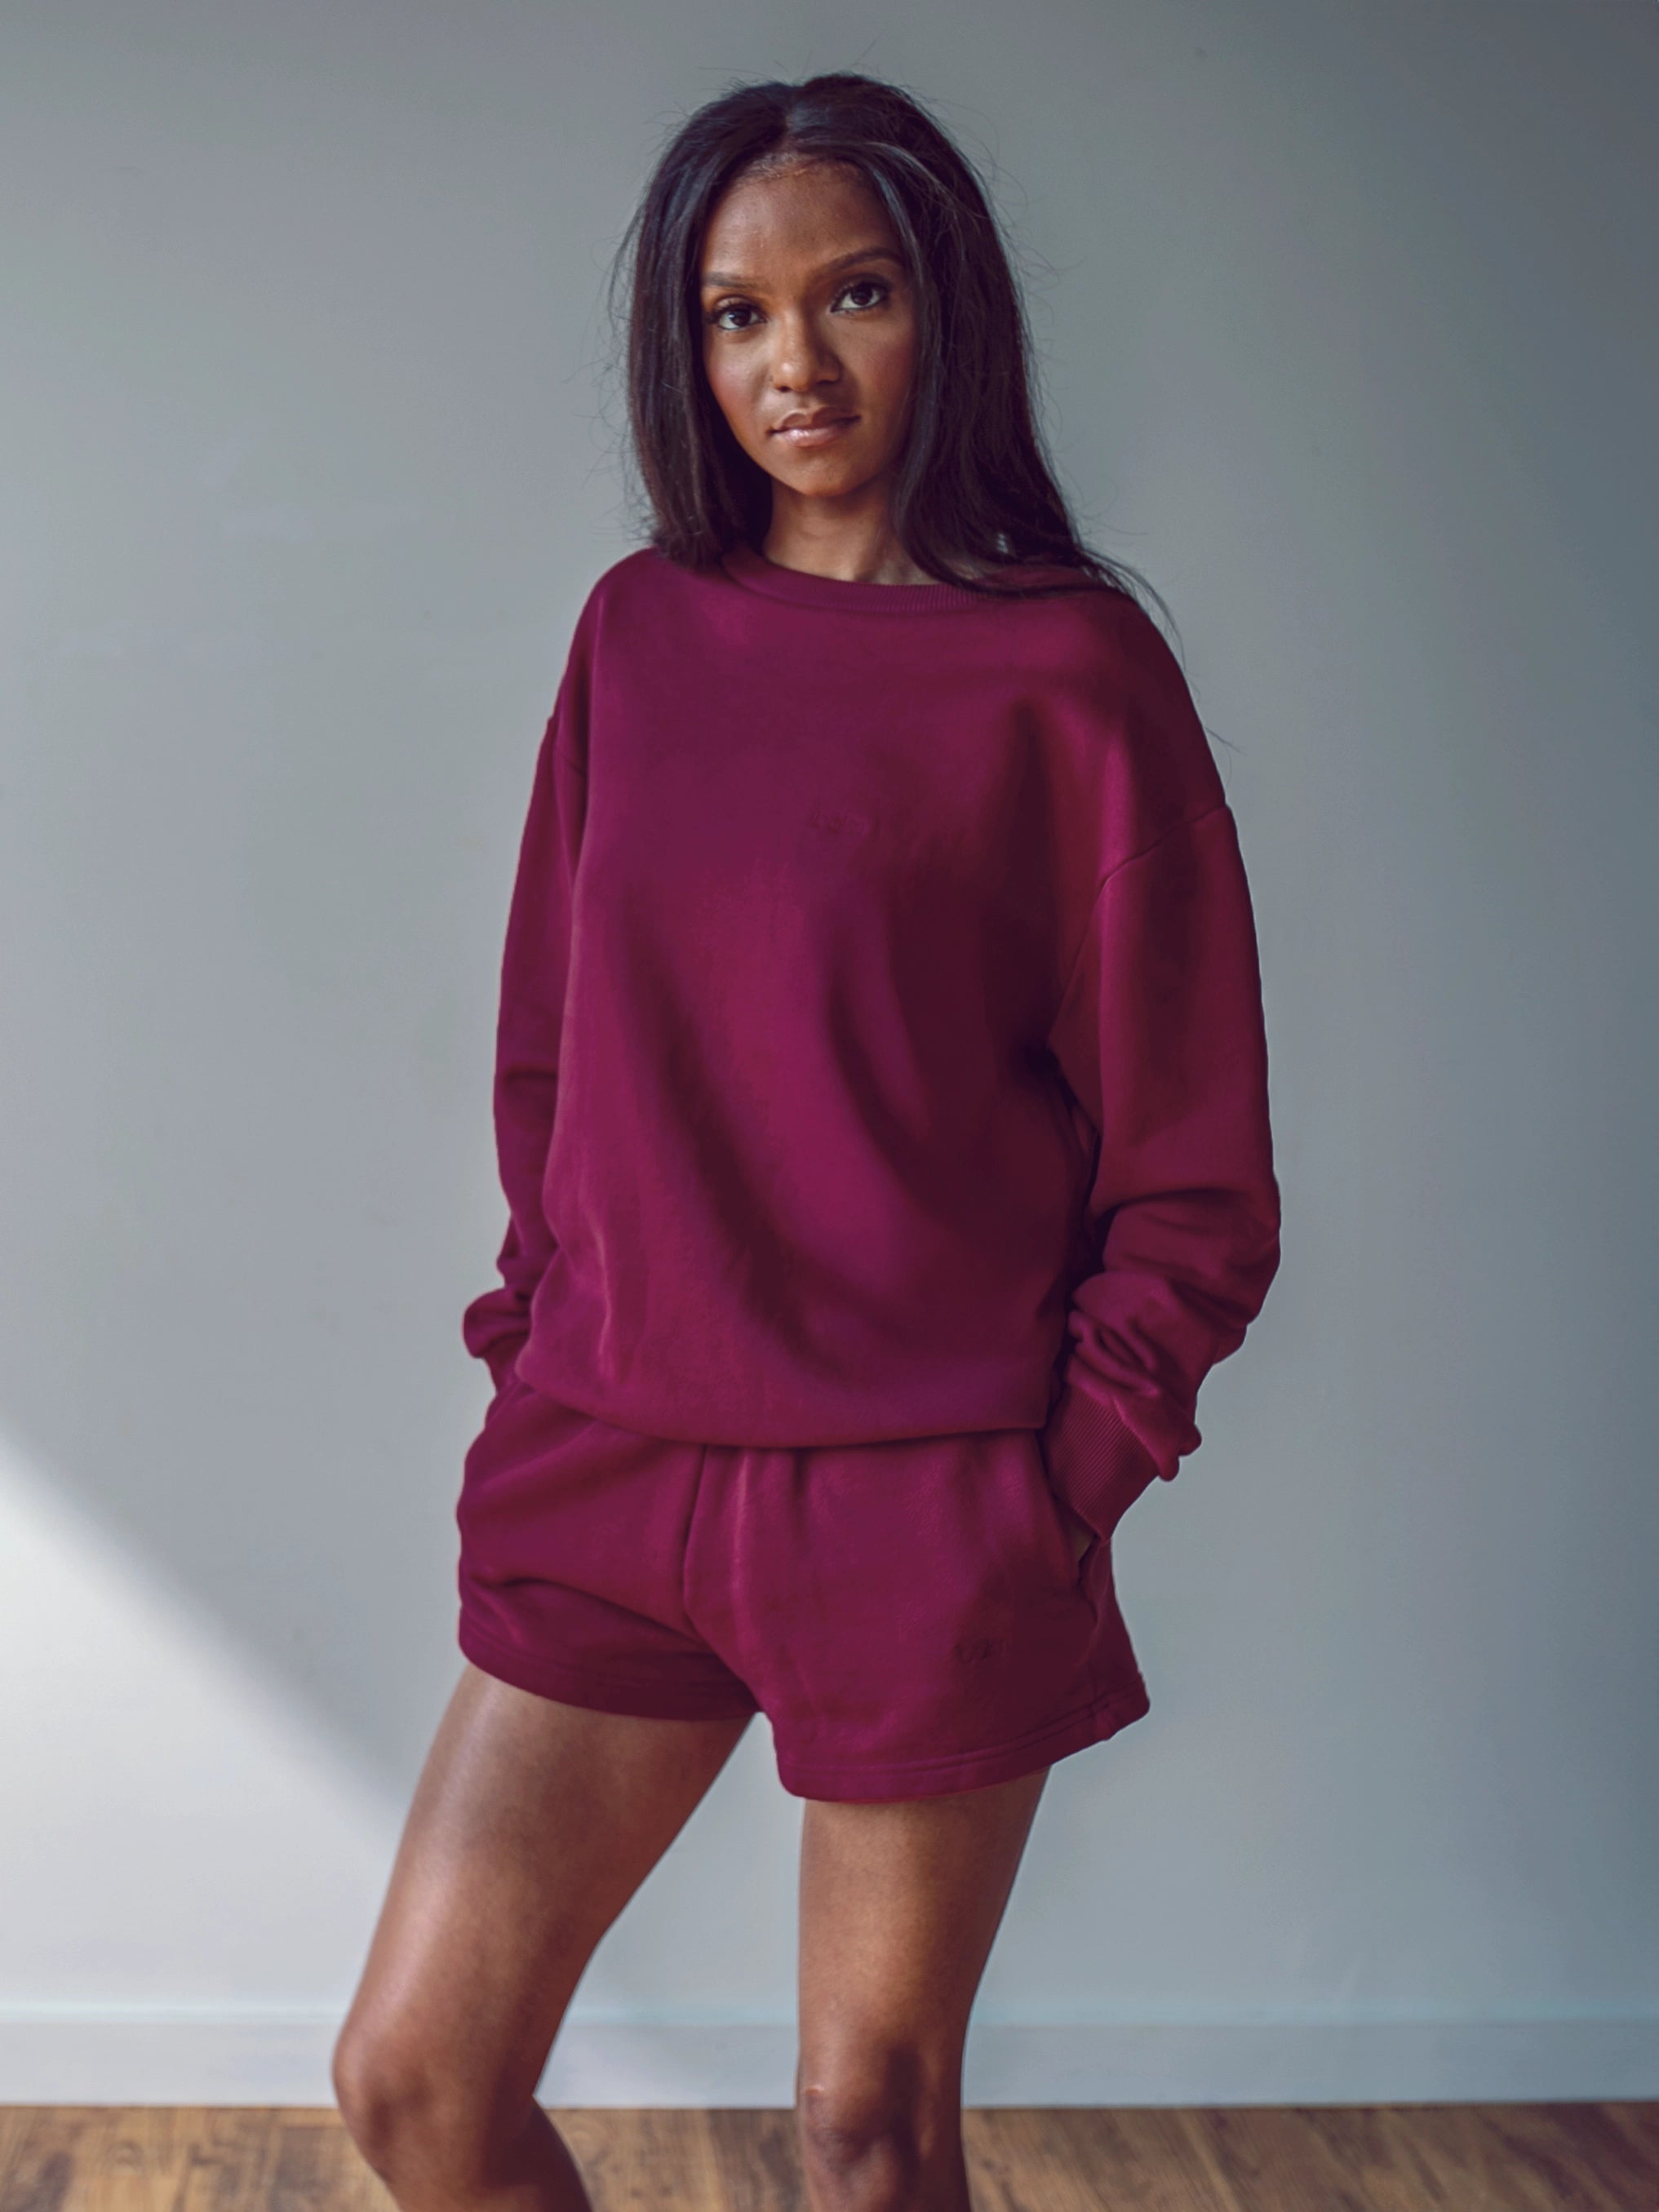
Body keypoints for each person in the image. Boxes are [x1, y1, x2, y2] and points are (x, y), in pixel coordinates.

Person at [331, 69, 1280, 2212]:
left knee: (866, 2134)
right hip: (615, 1456)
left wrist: (1056, 1485)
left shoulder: (1069, 675)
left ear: (943, 313)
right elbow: (550, 1058)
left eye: (847, 295)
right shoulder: (637, 637)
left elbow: (1196, 1170)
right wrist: (541, 1333)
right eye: (731, 314)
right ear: (685, 347)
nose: (790, 364)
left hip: (928, 1503)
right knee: (412, 2080)